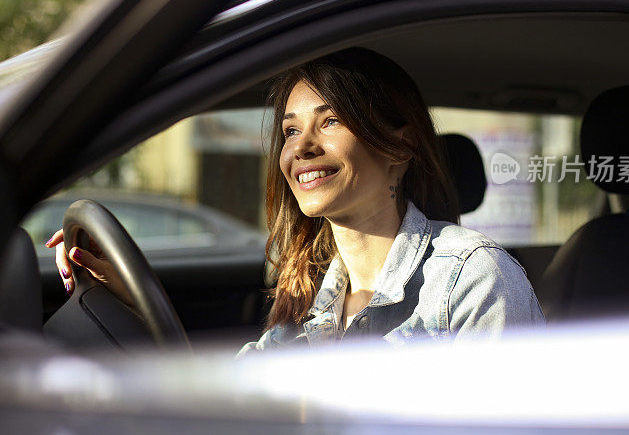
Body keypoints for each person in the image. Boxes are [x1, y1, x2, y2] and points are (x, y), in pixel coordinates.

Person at [46, 47, 545, 354]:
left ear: (401, 145)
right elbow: (237, 401)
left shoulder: (473, 278)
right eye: (290, 130)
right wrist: (132, 306)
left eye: (329, 121)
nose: (301, 146)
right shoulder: (317, 299)